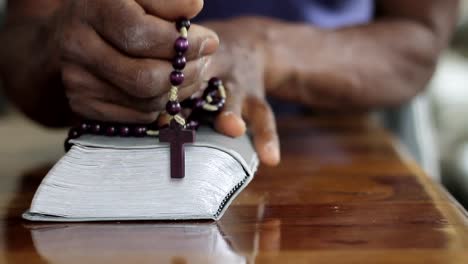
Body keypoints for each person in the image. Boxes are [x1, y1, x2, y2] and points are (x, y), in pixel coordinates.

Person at [0, 0, 459, 166]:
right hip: (118, 151)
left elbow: (419, 40)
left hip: (342, 150)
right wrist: (64, 41)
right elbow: (23, 43)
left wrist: (262, 47)